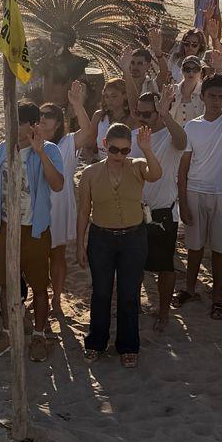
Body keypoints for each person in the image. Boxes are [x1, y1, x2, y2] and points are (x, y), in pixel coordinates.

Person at [74, 122, 162, 366]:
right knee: (101, 293)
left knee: (129, 295)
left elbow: (156, 174)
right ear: (105, 145)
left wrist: (146, 150)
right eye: (115, 150)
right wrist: (80, 244)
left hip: (134, 239)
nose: (119, 156)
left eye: (125, 150)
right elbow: (83, 212)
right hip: (101, 238)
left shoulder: (136, 166)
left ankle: (128, 345)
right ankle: (96, 342)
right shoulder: (90, 173)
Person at [0, 101, 66, 358]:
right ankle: (9, 333)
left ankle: (39, 335)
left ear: (32, 125)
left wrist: (40, 152)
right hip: (5, 227)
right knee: (5, 283)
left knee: (39, 285)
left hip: (33, 230)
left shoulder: (50, 150)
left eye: (18, 122)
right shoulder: (2, 148)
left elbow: (57, 185)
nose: (13, 126)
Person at [177, 73, 222, 316]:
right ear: (203, 97)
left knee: (221, 248)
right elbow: (183, 167)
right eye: (212, 96)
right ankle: (190, 288)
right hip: (195, 191)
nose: (216, 100)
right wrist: (183, 202)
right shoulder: (192, 126)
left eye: (221, 96)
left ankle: (217, 297)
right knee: (194, 246)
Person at [132, 87, 187, 331]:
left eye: (148, 114)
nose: (142, 118)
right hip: (135, 211)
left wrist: (166, 115)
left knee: (165, 266)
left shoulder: (169, 135)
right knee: (133, 265)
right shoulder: (133, 135)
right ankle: (133, 305)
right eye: (139, 113)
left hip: (163, 212)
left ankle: (164, 312)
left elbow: (183, 141)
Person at [38, 88, 85, 322]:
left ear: (58, 123)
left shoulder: (67, 143)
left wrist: (77, 104)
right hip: (36, 207)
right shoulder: (30, 142)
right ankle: (39, 296)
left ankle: (56, 296)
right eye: (40, 114)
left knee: (57, 255)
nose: (43, 118)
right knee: (36, 256)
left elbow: (88, 132)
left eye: (48, 115)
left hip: (59, 207)